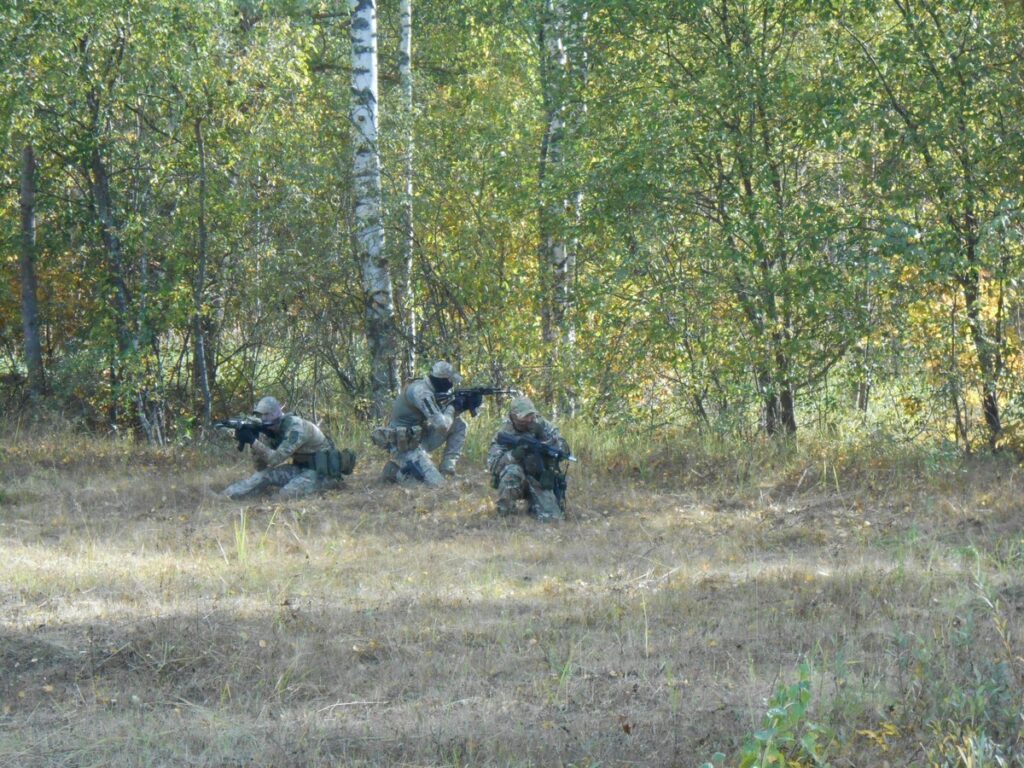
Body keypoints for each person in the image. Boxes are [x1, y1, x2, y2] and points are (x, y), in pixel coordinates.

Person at [224, 396, 345, 500]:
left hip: (323, 474)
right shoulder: (272, 430)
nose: (263, 418)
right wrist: (252, 441)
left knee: (283, 496)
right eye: (261, 415)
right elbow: (260, 467)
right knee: (264, 476)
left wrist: (253, 441)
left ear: (276, 413)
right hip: (301, 468)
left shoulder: (295, 428)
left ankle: (331, 485)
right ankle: (225, 496)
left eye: (267, 414)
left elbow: (275, 460)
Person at [375, 361, 467, 486]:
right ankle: (394, 472)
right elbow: (442, 426)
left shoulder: (430, 389)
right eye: (450, 381)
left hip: (419, 438)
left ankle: (447, 469)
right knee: (435, 484)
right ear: (442, 381)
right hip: (405, 445)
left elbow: (441, 417)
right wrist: (453, 407)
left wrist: (463, 405)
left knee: (459, 424)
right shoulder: (422, 392)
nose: (451, 386)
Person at [486, 396, 570, 521]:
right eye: (525, 417)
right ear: (513, 416)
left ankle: (534, 505)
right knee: (512, 471)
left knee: (553, 518)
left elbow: (564, 451)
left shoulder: (543, 425)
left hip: (539, 478)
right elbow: (492, 465)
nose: (529, 419)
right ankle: (505, 510)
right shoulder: (505, 431)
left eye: (531, 415)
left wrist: (544, 437)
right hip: (517, 476)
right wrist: (513, 456)